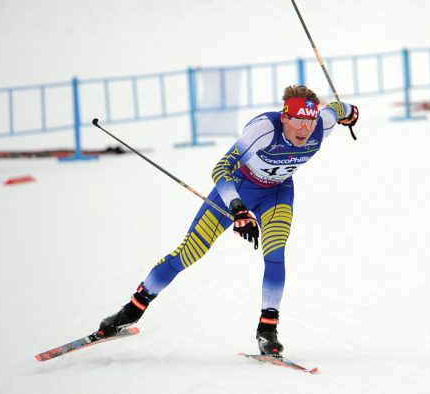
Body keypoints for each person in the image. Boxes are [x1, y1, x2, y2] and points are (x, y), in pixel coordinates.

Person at [97, 85, 359, 355]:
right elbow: (221, 168)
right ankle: (130, 311)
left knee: (275, 253)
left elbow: (336, 109)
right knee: (189, 252)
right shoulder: (263, 131)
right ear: (284, 117)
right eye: (298, 120)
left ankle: (267, 330)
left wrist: (351, 112)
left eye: (310, 120)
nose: (304, 129)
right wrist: (238, 209)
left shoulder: (322, 125)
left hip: (277, 193)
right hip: (236, 188)